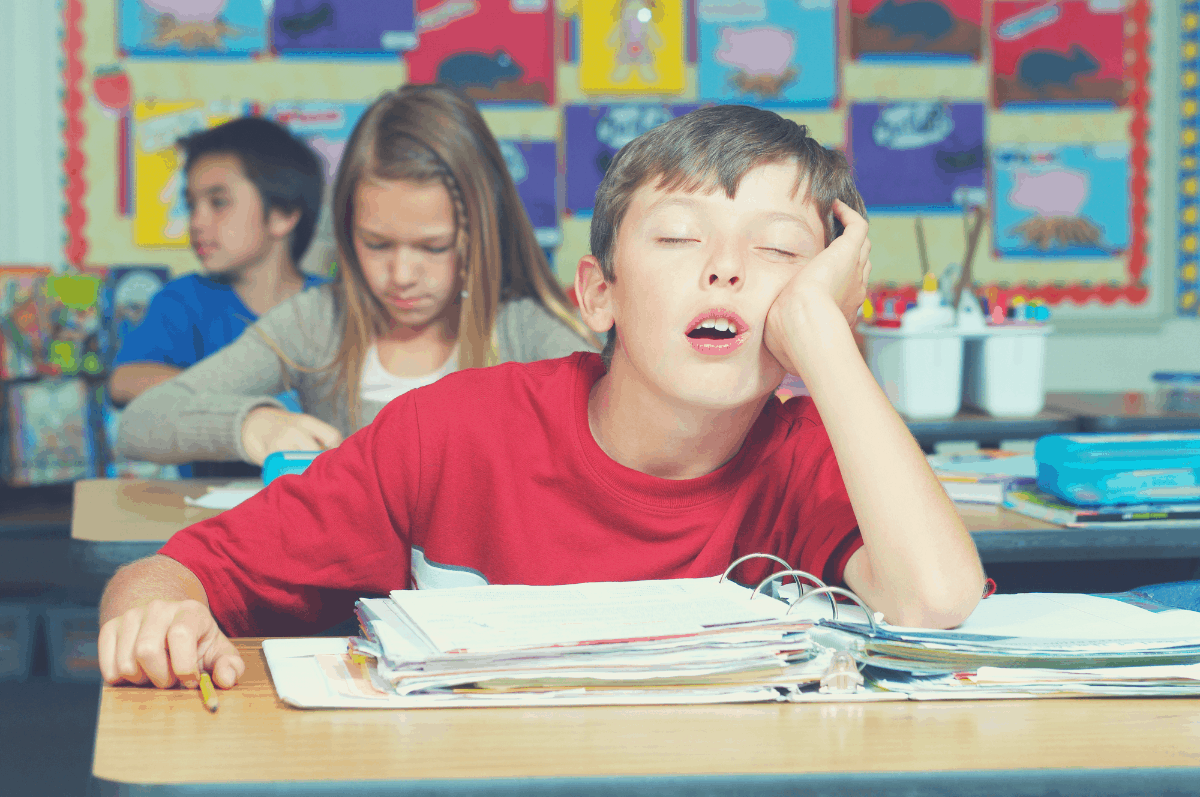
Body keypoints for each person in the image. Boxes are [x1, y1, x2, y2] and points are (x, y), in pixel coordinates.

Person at [98, 104, 985, 691]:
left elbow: (937, 599)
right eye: (679, 236)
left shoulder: (804, 453)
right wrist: (153, 618)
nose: (726, 267)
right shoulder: (446, 431)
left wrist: (823, 344)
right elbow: (167, 573)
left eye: (780, 255)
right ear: (596, 294)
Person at [114, 84, 597, 468]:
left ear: (481, 232)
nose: (401, 275)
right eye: (377, 244)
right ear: (346, 231)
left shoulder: (522, 330)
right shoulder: (317, 323)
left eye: (433, 247)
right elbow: (141, 422)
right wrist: (251, 424)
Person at [108, 116, 329, 477]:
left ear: (284, 214)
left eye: (218, 202)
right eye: (192, 204)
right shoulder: (183, 300)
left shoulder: (333, 304)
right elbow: (124, 382)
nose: (196, 222)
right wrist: (245, 407)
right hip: (208, 504)